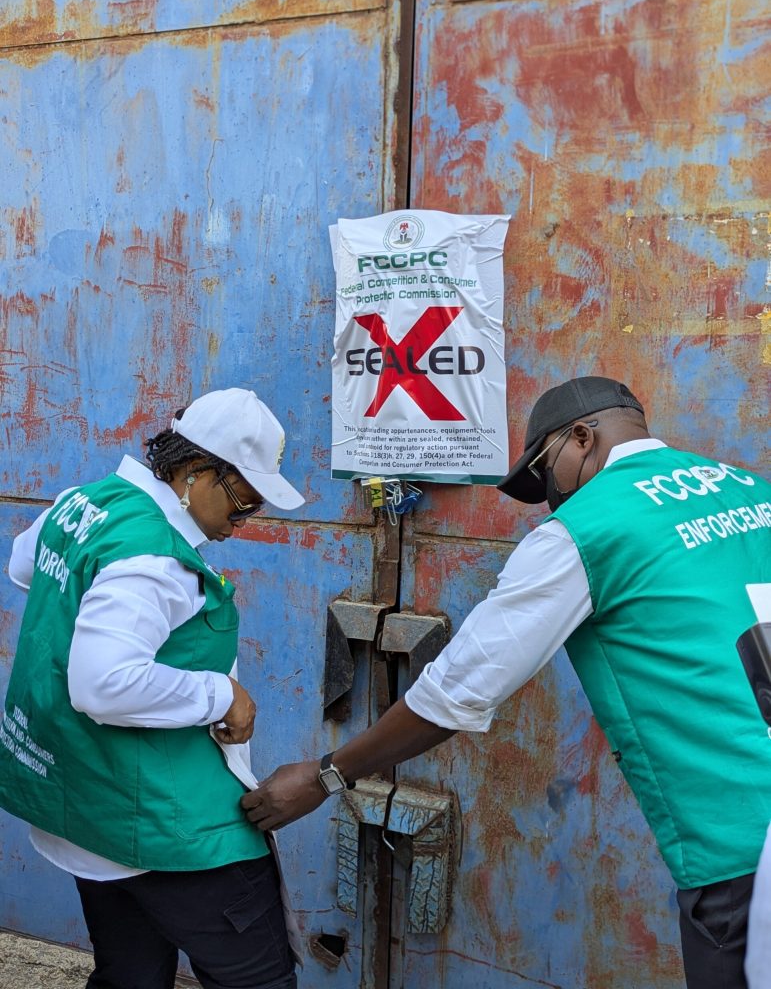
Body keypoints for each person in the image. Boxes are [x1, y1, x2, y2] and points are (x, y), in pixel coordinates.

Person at [242, 375, 771, 989]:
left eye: (547, 477)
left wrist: (326, 774)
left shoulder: (587, 530)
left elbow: (457, 691)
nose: (551, 501)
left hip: (740, 848)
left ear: (581, 437)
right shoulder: (752, 492)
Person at [0, 387, 304, 989]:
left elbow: (24, 564)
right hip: (161, 822)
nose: (249, 517)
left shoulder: (84, 502)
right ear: (195, 473)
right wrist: (223, 696)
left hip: (88, 806)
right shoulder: (154, 559)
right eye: (245, 496)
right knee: (259, 979)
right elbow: (104, 685)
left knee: (131, 974)